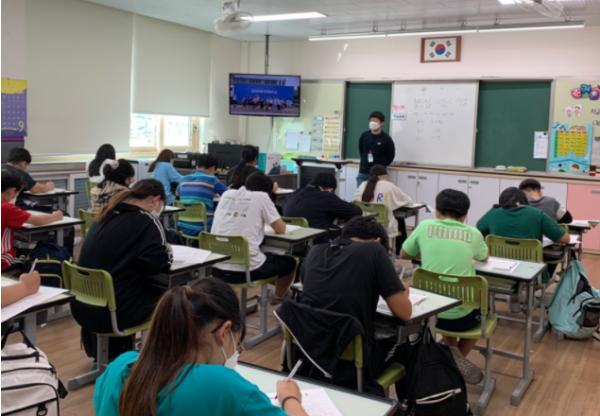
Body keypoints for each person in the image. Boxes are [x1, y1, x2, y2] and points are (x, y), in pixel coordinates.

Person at [94, 279, 309, 416]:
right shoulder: (221, 385)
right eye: (237, 343)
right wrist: (290, 399)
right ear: (224, 332)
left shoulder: (119, 367)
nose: (235, 351)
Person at [300, 216, 411, 390]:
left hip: (311, 354)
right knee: (409, 344)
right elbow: (404, 313)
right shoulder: (374, 250)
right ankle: (399, 403)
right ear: (377, 241)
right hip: (352, 364)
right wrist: (403, 290)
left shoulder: (315, 251)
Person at [73, 179, 171, 358]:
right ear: (156, 200)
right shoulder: (147, 221)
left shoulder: (105, 214)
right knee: (169, 296)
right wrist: (167, 253)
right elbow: (158, 265)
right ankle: (154, 360)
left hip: (83, 308)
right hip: (116, 313)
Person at [400, 189, 488, 383]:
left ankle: (450, 356)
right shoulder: (473, 233)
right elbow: (483, 257)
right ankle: (454, 361)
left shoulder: (424, 226)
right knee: (484, 309)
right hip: (462, 319)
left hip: (427, 314)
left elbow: (404, 254)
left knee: (443, 297)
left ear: (437, 210)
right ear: (465, 215)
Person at [211, 172, 295, 301]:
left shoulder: (227, 194)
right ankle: (277, 297)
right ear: (267, 191)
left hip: (216, 267)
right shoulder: (261, 196)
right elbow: (281, 229)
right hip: (246, 272)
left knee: (264, 256)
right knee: (289, 263)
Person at [477, 187, 570, 282]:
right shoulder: (537, 214)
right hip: (531, 274)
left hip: (498, 273)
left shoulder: (493, 213)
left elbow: (477, 232)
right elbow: (565, 239)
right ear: (523, 202)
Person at [1, 170, 63, 272]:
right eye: (17, 193)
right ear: (11, 191)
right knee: (36, 256)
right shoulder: (6, 208)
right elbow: (38, 221)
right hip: (3, 259)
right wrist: (56, 216)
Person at [283, 172, 361, 242]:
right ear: (329, 189)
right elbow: (356, 212)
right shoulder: (326, 197)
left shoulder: (294, 193)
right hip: (319, 240)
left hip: (293, 238)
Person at [355, 165, 413, 249]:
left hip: (363, 223)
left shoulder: (362, 185)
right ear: (384, 176)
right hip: (383, 226)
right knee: (399, 218)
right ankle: (400, 249)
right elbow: (408, 201)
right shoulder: (389, 186)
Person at [177, 154, 227, 236]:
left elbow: (178, 194)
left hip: (183, 227)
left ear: (197, 166)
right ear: (213, 168)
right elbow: (229, 195)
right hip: (204, 228)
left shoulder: (183, 179)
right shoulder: (212, 180)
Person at [356, 112, 395, 187]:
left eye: (375, 121)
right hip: (364, 172)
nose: (372, 123)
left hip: (379, 174)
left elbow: (390, 156)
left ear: (382, 123)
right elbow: (361, 151)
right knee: (361, 193)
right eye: (371, 120)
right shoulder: (364, 136)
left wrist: (382, 165)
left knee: (378, 193)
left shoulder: (386, 139)